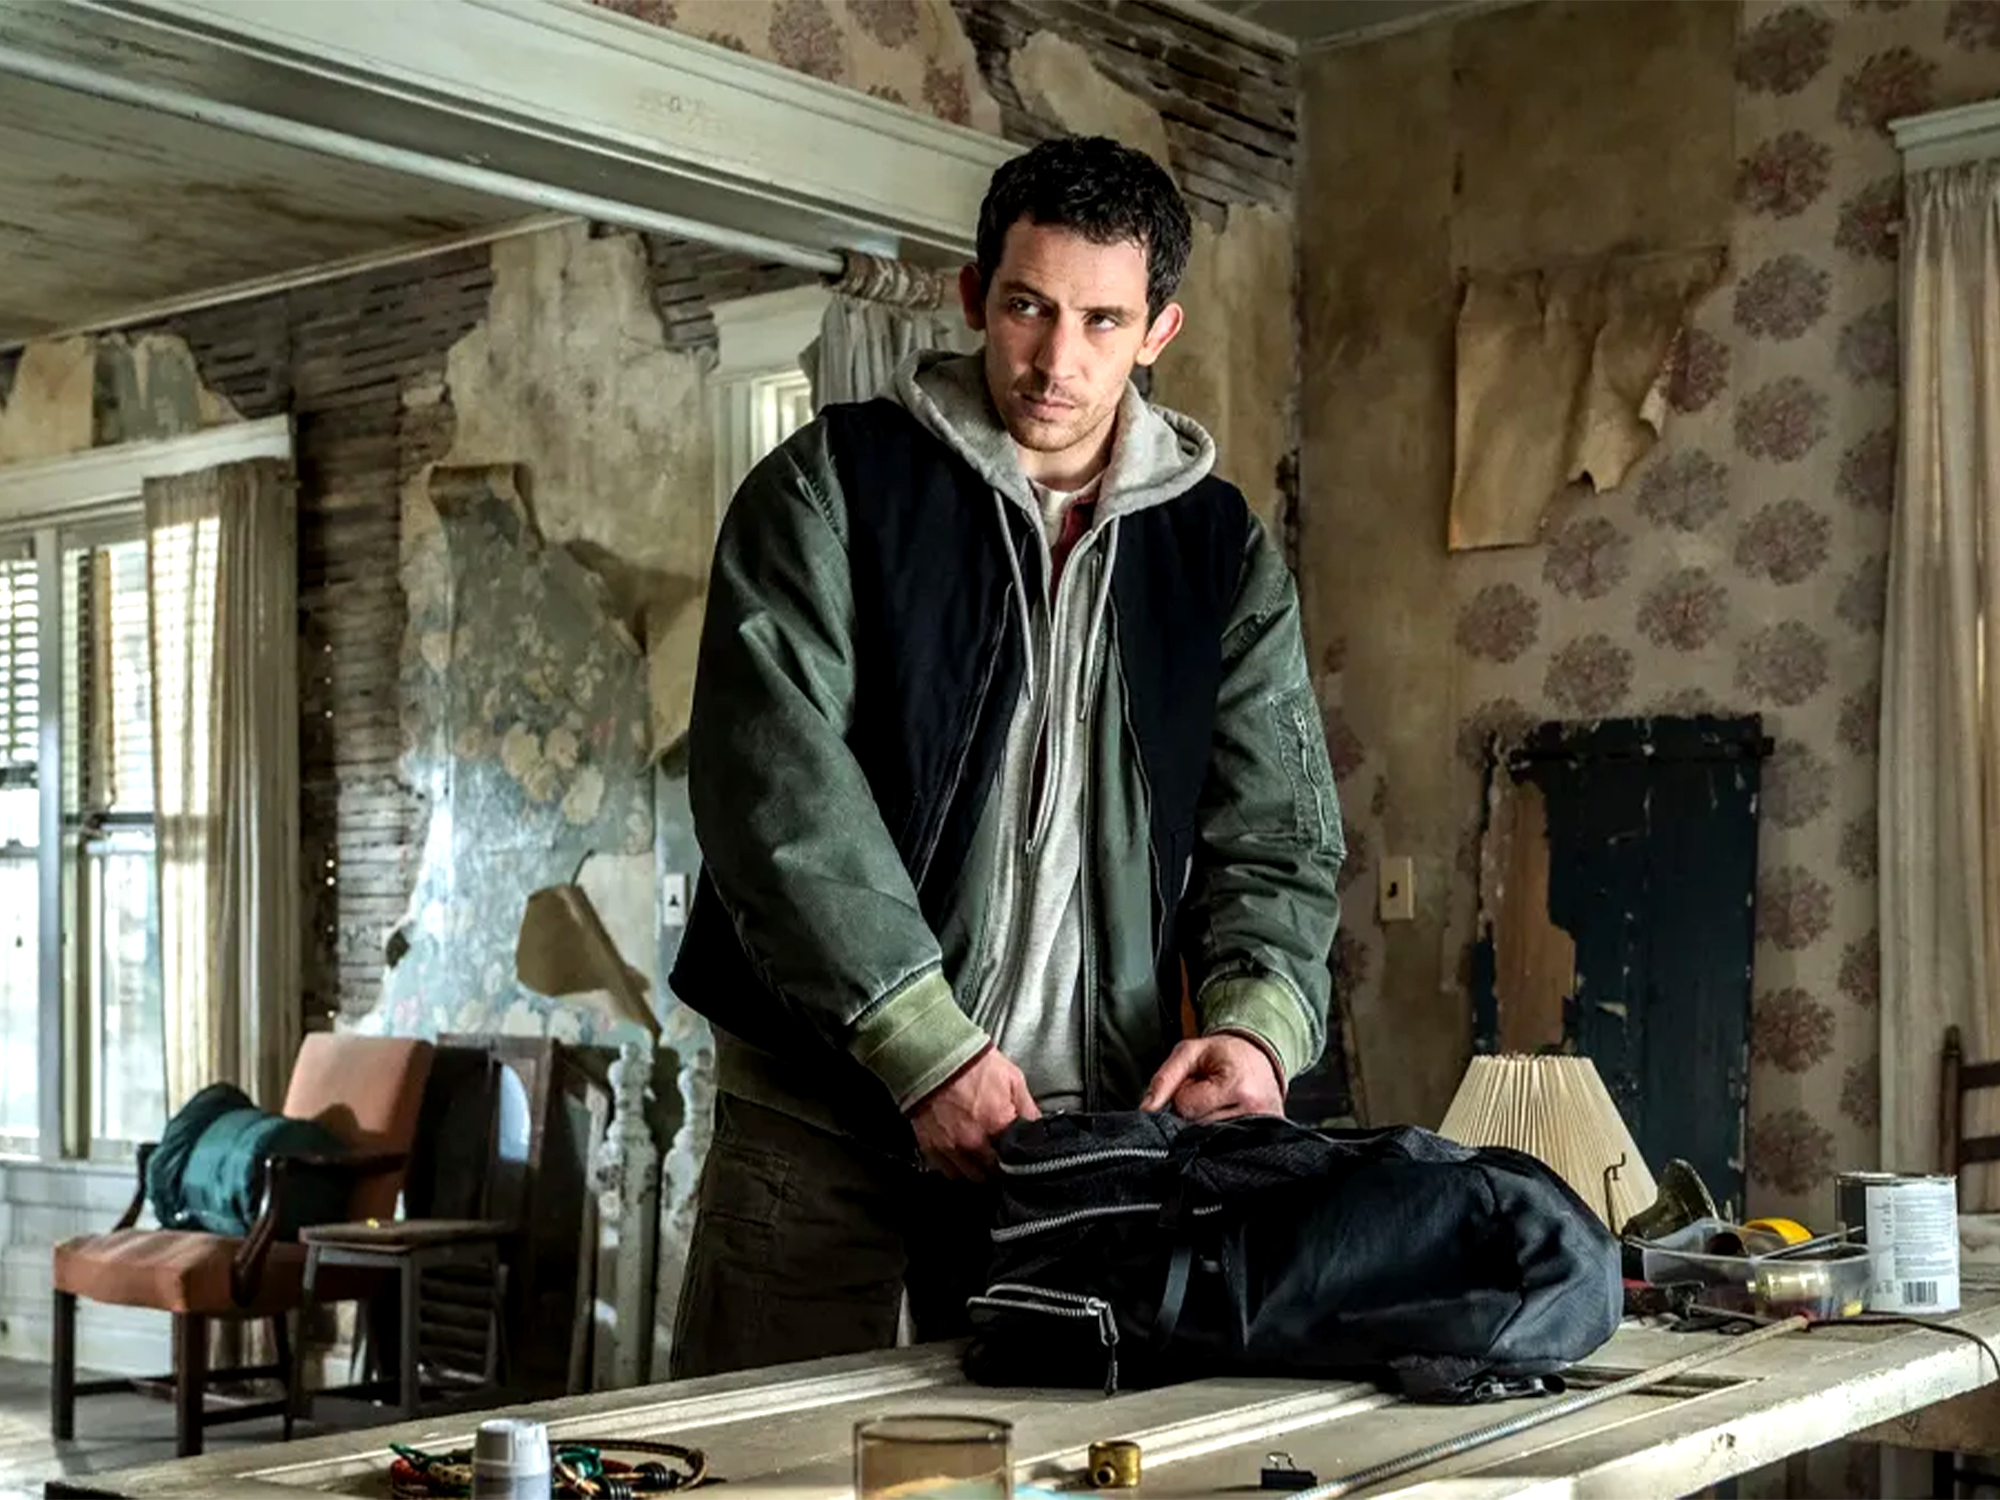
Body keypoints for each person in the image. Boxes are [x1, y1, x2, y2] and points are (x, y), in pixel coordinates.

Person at [667, 134, 1343, 1378]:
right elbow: (776, 803)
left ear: (1157, 330)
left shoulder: (1219, 550)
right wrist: (926, 1050)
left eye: (1101, 319)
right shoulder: (828, 489)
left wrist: (1253, 1028)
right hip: (821, 1119)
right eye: (1028, 307)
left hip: (1082, 1136)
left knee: (1039, 1463)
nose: (1055, 359)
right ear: (976, 297)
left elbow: (1278, 832)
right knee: (774, 1468)